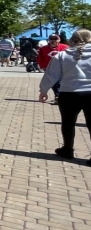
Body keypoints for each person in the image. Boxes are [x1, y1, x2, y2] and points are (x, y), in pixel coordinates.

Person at [39, 29, 91, 161]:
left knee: (68, 123)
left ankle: (68, 149)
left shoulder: (62, 55)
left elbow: (51, 75)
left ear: (72, 39)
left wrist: (43, 90)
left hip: (69, 93)